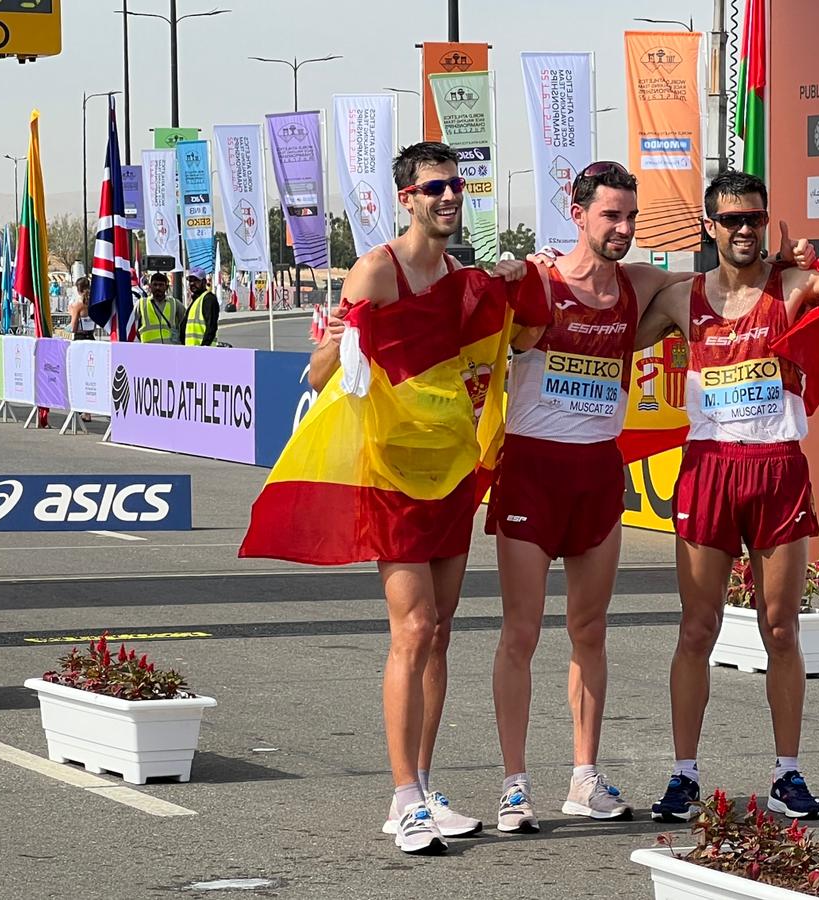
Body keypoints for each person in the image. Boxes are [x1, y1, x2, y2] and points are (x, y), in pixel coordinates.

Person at [635, 164, 819, 822]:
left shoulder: (793, 285)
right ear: (710, 226)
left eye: (755, 218)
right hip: (708, 468)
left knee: (781, 627)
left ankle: (787, 773)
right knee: (697, 629)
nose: (745, 230)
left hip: (776, 468)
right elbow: (602, 336)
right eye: (733, 220)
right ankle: (684, 776)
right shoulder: (677, 298)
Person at [294, 141, 540, 854]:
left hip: (451, 473)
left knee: (441, 629)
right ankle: (402, 798)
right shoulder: (376, 270)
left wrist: (513, 282)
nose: (449, 197)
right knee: (414, 626)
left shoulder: (464, 278)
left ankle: (424, 784)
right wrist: (338, 347)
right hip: (392, 477)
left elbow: (520, 335)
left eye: (457, 186)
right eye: (435, 188)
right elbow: (318, 375)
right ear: (408, 197)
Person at [484, 160, 697, 834]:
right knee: (521, 632)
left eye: (631, 217)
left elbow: (725, 287)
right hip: (532, 472)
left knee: (590, 630)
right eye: (611, 216)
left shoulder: (641, 284)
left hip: (598, 475)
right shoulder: (541, 282)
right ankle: (515, 786)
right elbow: (474, 318)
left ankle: (584, 776)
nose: (624, 229)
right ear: (577, 215)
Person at [137, 272, 185, 345]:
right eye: (155, 285)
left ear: (166, 287)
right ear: (150, 286)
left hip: (171, 351)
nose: (158, 288)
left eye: (161, 285)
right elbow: (132, 327)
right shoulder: (141, 303)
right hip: (148, 351)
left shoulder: (175, 303)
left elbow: (185, 324)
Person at [184, 267, 220, 346]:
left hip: (203, 352)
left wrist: (203, 348)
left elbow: (211, 327)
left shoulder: (209, 299)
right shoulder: (196, 300)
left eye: (196, 280)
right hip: (192, 350)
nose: (192, 283)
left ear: (204, 282)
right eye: (190, 280)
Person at [68, 276, 95, 340]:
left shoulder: (77, 305)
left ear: (77, 289)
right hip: (91, 337)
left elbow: (73, 328)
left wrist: (72, 313)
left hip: (80, 338)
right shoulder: (94, 303)